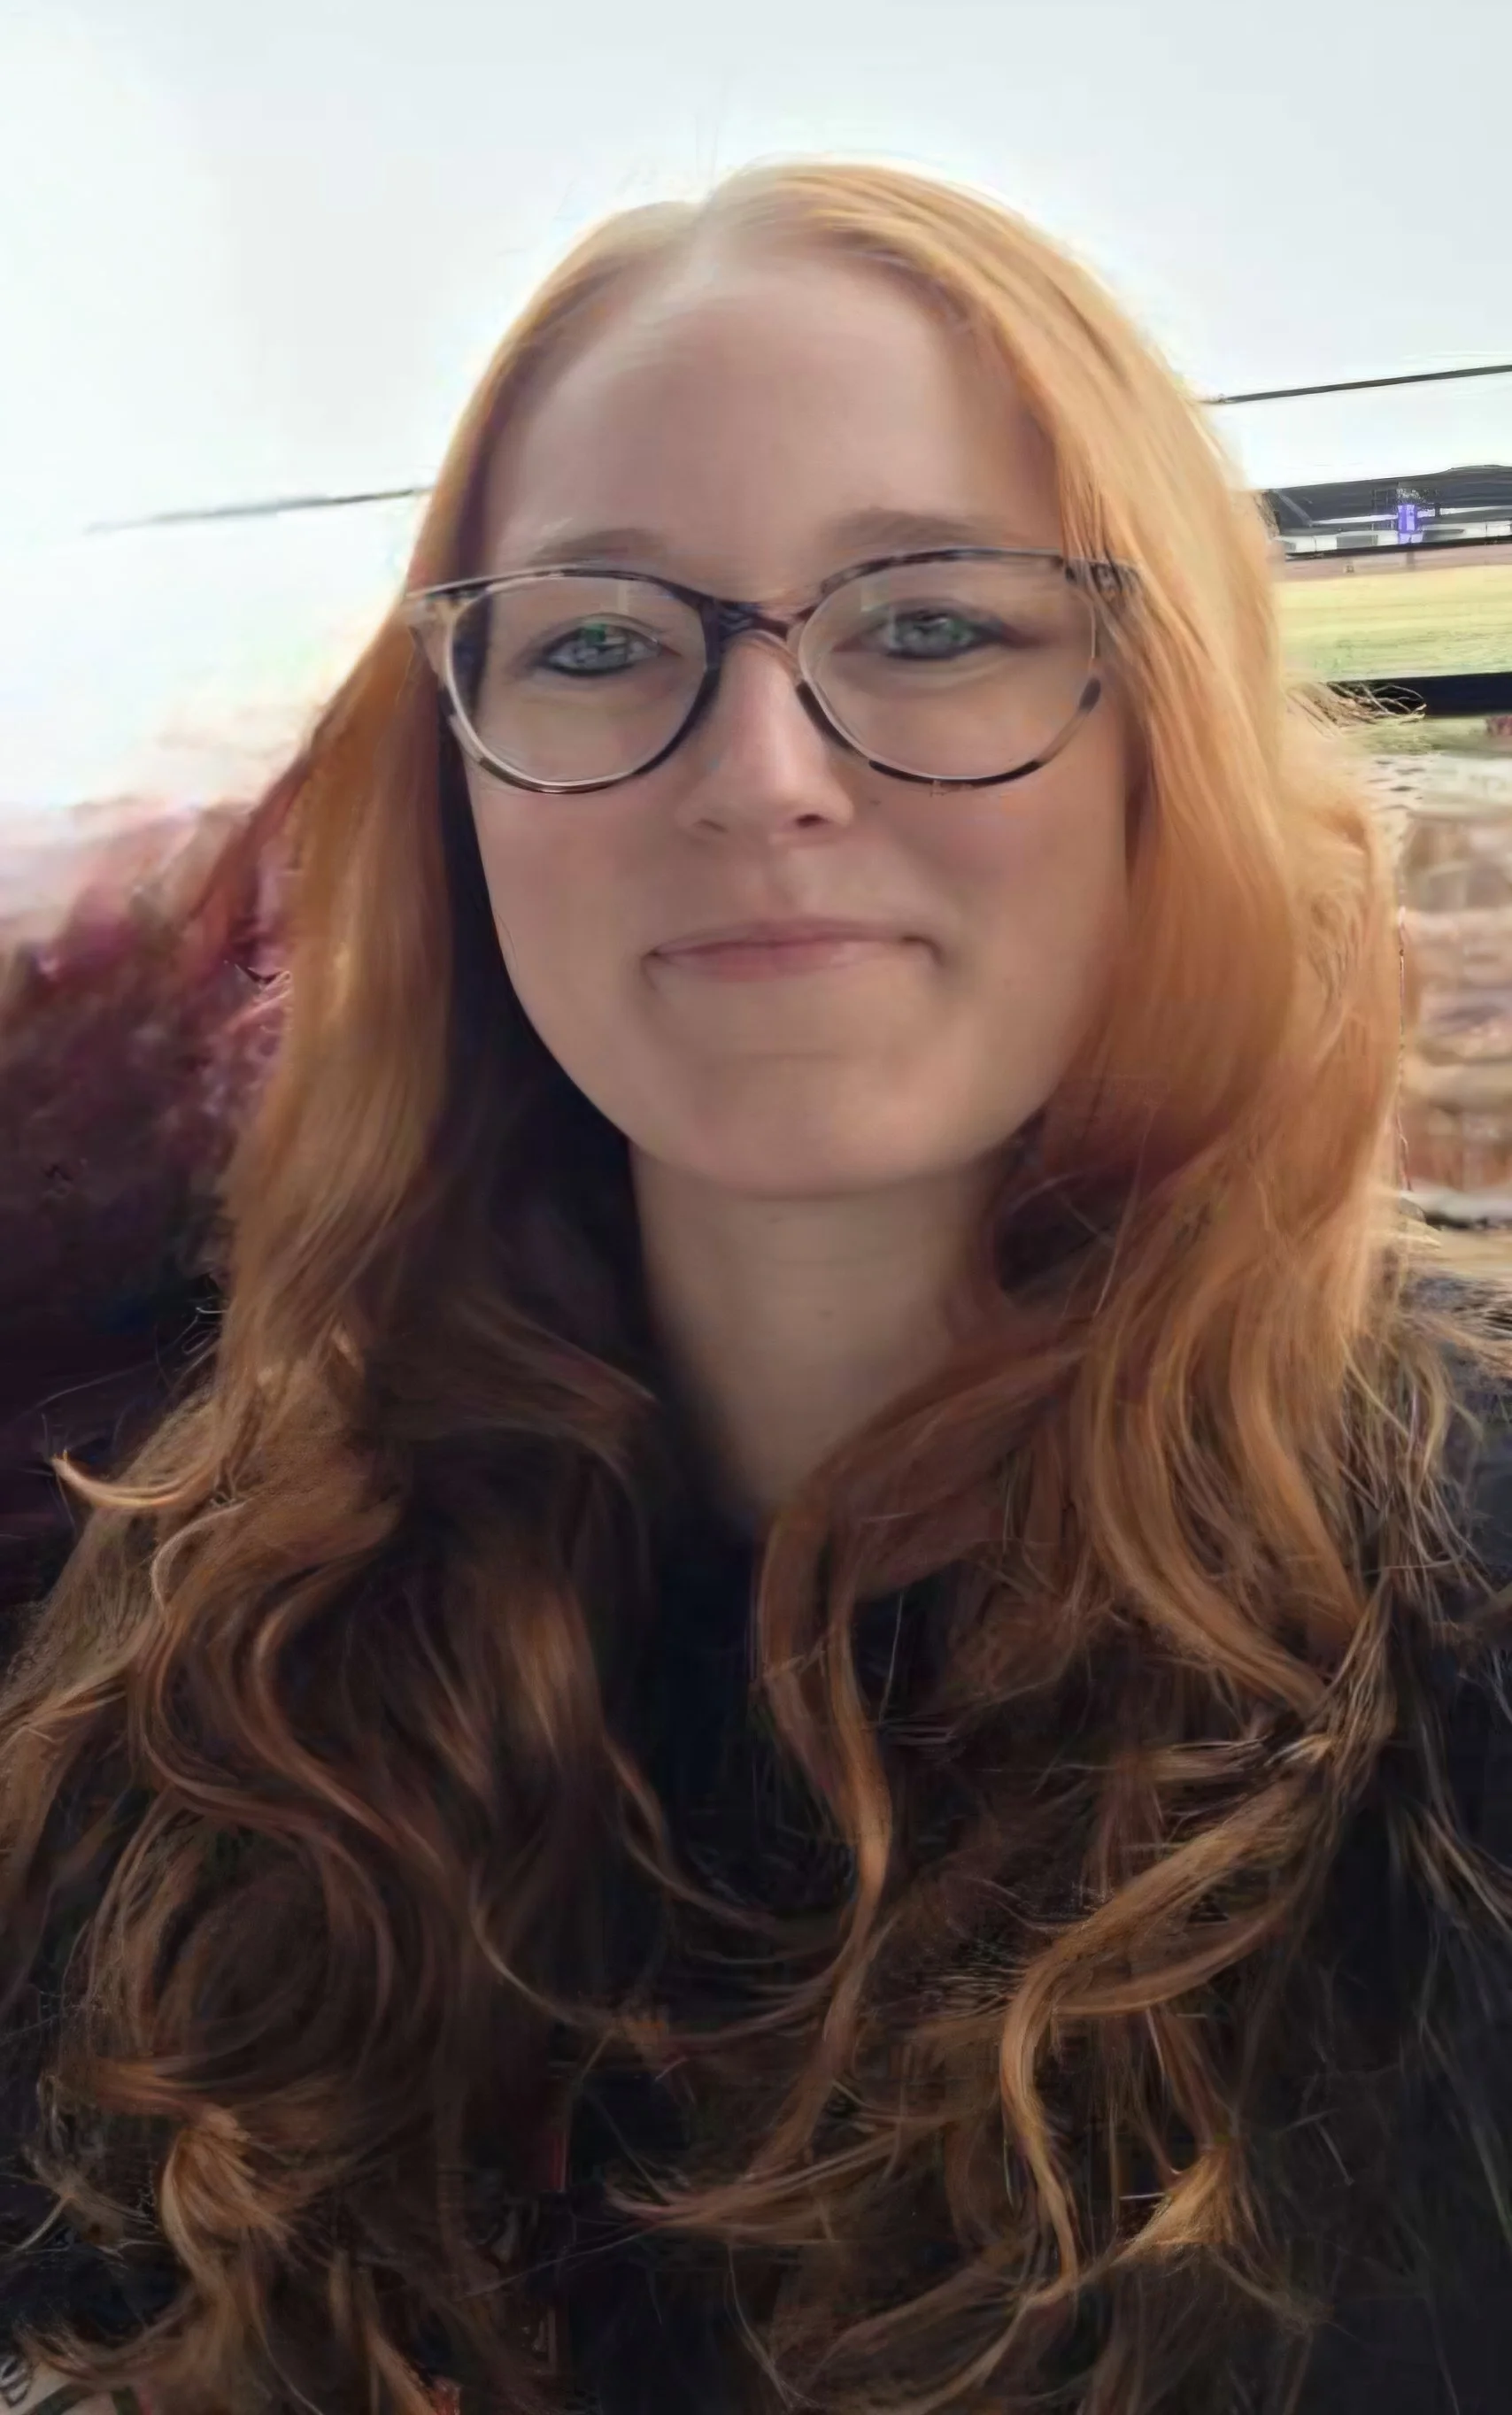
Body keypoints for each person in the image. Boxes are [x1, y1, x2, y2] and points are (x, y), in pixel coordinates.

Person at [0, 156, 1509, 2415]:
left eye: (933, 623)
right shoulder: (214, 1637)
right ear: (460, 793)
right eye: (599, 643)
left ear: (1161, 742)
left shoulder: (1455, 1631)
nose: (761, 776)